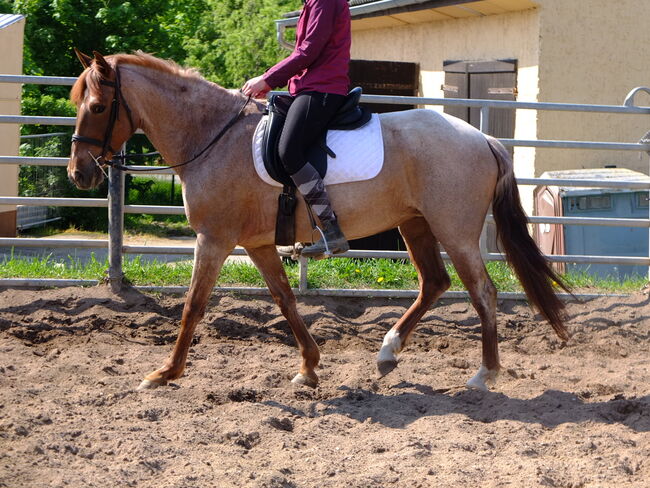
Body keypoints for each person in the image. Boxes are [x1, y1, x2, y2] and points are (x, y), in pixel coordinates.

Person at [242, 0, 351, 259]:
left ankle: (331, 228)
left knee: (289, 151)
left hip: (323, 88)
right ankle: (298, 226)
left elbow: (308, 52)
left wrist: (267, 78)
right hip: (307, 87)